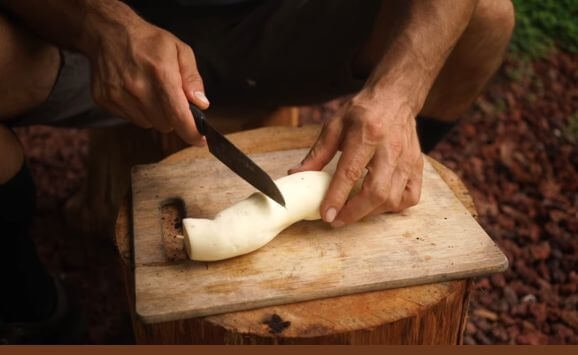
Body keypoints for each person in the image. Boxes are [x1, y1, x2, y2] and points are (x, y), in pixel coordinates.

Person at [0, 0, 514, 343]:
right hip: (99, 29)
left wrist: (399, 92)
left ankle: (391, 168)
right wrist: (101, 24)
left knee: (488, 14)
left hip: (282, 23)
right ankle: (34, 306)